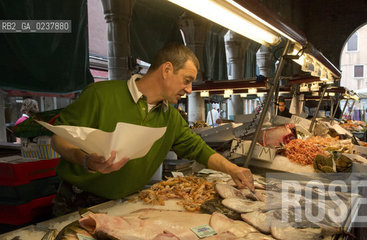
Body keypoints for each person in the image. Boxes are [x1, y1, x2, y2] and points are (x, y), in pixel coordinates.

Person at [51, 43, 254, 216]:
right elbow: (58, 139)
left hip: (123, 204)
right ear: (166, 70)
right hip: (77, 203)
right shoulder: (100, 95)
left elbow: (198, 149)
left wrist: (234, 170)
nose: (190, 90)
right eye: (187, 80)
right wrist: (84, 159)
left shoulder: (171, 117)